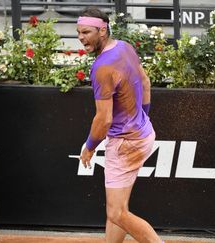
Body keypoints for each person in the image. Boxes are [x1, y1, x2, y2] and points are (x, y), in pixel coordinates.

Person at [77, 7, 163, 243]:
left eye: (86, 32)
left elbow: (103, 119)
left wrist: (90, 146)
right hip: (143, 135)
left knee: (116, 212)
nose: (81, 37)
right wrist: (141, 118)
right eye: (79, 32)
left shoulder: (102, 68)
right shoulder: (125, 47)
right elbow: (145, 82)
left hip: (125, 144)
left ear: (102, 30)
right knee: (119, 209)